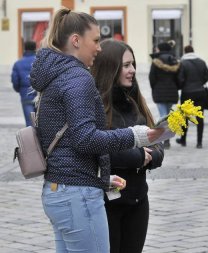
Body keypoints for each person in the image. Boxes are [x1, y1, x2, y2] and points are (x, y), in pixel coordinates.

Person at [30, 8, 163, 253]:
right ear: (76, 41)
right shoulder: (77, 78)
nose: (99, 48)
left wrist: (100, 178)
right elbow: (84, 138)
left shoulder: (54, 76)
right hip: (78, 196)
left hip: (58, 190)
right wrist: (136, 135)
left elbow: (66, 143)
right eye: (95, 41)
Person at [92, 39, 164, 253]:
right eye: (126, 65)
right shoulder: (95, 106)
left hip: (138, 199)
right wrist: (137, 156)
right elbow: (94, 147)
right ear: (110, 67)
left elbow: (155, 144)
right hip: (107, 203)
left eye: (133, 64)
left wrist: (154, 156)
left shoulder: (134, 102)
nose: (132, 70)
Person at [175, 45, 208, 148]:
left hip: (187, 93)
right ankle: (199, 142)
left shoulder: (182, 63)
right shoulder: (201, 62)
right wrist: (200, 83)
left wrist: (182, 86)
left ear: (185, 52)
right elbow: (207, 75)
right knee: (199, 117)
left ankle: (183, 140)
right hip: (200, 92)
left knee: (185, 117)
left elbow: (180, 79)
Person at [149, 41, 180, 148]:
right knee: (169, 116)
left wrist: (155, 88)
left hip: (159, 92)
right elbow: (179, 79)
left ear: (161, 49)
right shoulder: (174, 61)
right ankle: (167, 139)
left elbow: (152, 78)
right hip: (172, 92)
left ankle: (164, 139)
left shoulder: (156, 62)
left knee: (163, 116)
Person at [11, 41, 37, 126]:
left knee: (29, 123)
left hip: (25, 96)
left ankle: (31, 139)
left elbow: (15, 81)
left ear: (24, 48)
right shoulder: (40, 62)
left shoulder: (18, 64)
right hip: (39, 96)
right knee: (40, 124)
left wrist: (20, 90)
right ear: (35, 48)